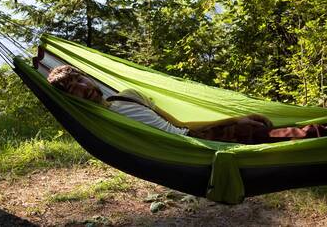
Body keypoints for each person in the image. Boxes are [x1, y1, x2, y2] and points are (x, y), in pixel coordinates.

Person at [47, 65, 326, 144]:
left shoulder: (127, 94)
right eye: (74, 90)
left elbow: (178, 123)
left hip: (194, 137)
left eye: (81, 80)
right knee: (269, 134)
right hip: (178, 150)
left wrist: (233, 119)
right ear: (71, 100)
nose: (84, 89)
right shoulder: (96, 123)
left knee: (263, 125)